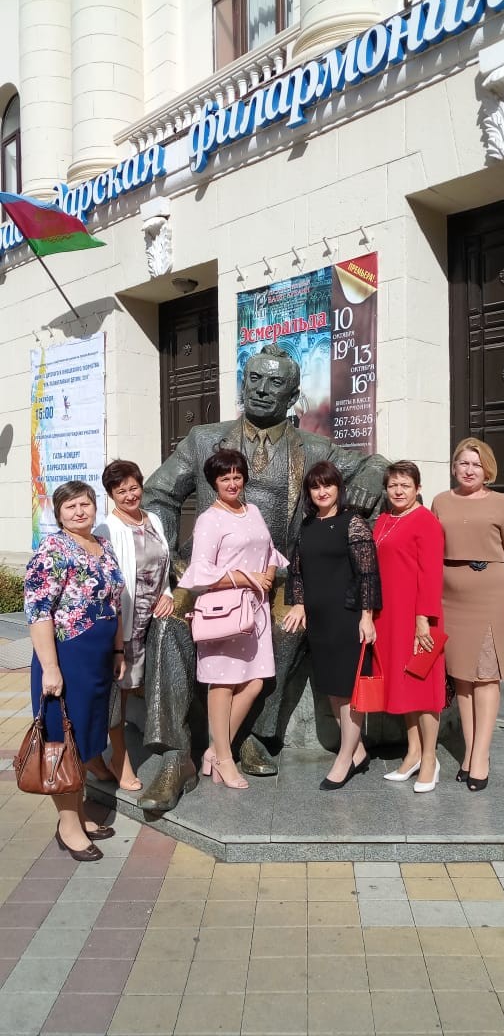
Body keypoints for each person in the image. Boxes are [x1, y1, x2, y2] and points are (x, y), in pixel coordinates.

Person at [138, 343, 388, 812]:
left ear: (293, 396)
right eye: (254, 379)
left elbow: (375, 464)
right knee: (169, 627)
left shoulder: (314, 448)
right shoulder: (204, 439)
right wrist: (171, 561)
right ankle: (175, 756)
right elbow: (158, 494)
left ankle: (252, 735)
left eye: (275, 383)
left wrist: (371, 478)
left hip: (276, 578)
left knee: (287, 630)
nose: (262, 390)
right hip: (210, 574)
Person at [23, 481, 125, 862]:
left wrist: (118, 650)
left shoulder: (103, 546)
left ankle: (78, 815)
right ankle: (68, 826)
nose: (80, 511)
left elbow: (114, 603)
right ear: (59, 513)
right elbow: (38, 612)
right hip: (66, 659)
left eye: (85, 504)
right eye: (71, 506)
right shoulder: (52, 550)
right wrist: (50, 668)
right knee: (63, 742)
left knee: (85, 738)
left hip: (98, 660)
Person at [178, 449, 288, 789]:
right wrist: (246, 578)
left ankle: (214, 750)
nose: (232, 483)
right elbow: (200, 572)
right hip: (225, 612)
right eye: (224, 478)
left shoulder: (252, 510)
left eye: (237, 476)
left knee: (255, 682)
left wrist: (268, 574)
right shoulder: (209, 519)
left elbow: (270, 551)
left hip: (255, 611)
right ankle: (225, 759)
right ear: (214, 483)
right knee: (222, 683)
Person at [432, 438, 504, 792]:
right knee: (462, 678)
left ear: (487, 470)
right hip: (450, 599)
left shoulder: (502, 503)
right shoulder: (441, 501)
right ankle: (470, 752)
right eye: (463, 463)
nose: (469, 470)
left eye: (476, 464)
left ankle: (481, 756)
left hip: (490, 596)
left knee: (486, 675)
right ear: (454, 467)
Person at [283, 461, 380, 789]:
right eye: (315, 486)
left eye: (328, 485)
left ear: (339, 487)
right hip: (319, 622)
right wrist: (299, 603)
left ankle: (344, 758)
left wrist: (367, 616)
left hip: (347, 618)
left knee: (348, 691)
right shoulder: (308, 525)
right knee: (333, 692)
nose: (322, 491)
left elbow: (368, 573)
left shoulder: (353, 523)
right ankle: (359, 751)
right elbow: (297, 571)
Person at [88, 460, 174, 792]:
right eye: (120, 490)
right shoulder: (106, 531)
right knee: (118, 697)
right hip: (124, 625)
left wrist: (166, 592)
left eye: (133, 487)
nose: (129, 495)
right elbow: (107, 586)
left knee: (133, 689)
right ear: (111, 495)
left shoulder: (153, 519)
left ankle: (97, 756)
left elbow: (162, 564)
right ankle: (119, 758)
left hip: (152, 618)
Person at [373, 462, 446, 793]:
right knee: (404, 686)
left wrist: (422, 621)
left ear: (418, 488)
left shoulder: (426, 521)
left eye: (405, 485)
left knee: (424, 689)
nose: (398, 491)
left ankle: (430, 759)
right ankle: (413, 752)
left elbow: (431, 574)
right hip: (390, 616)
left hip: (418, 618)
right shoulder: (385, 520)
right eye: (393, 485)